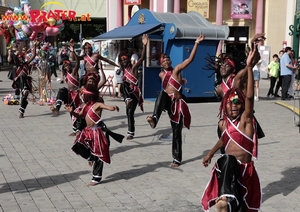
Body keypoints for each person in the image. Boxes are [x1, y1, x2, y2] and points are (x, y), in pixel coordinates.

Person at [201, 43, 261, 212]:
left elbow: (248, 96)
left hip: (245, 172)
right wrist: (210, 154)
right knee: (226, 159)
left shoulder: (246, 121)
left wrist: (249, 66)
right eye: (229, 102)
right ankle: (223, 196)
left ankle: (226, 197)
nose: (233, 105)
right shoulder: (224, 122)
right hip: (230, 169)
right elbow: (223, 139)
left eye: (236, 102)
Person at [146, 34, 205, 167]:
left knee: (176, 131)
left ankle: (176, 158)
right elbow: (169, 87)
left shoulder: (177, 69)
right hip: (168, 102)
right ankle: (155, 118)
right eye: (164, 60)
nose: (166, 62)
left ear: (170, 61)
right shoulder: (161, 74)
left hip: (177, 104)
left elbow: (190, 60)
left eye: (168, 60)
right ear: (160, 64)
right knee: (161, 94)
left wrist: (196, 43)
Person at [65, 74, 123, 186]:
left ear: (89, 96)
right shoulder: (85, 106)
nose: (83, 95)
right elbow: (79, 115)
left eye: (85, 94)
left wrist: (113, 107)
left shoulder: (97, 104)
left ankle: (96, 178)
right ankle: (89, 156)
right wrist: (71, 111)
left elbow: (108, 107)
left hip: (97, 132)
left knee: (99, 155)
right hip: (87, 131)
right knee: (78, 145)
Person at [119, 34, 149, 140]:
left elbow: (142, 58)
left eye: (125, 59)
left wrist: (145, 45)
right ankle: (127, 99)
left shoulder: (134, 67)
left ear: (129, 60)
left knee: (130, 112)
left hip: (134, 92)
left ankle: (131, 132)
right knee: (128, 112)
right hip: (127, 93)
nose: (124, 61)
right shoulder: (123, 69)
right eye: (122, 60)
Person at [12, 42, 37, 118]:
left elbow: (34, 55)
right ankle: (24, 89)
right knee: (22, 77)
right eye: (19, 58)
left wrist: (35, 45)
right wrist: (16, 50)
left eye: (21, 57)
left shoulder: (26, 63)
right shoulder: (17, 65)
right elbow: (14, 58)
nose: (20, 58)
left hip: (26, 81)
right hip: (20, 81)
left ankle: (21, 112)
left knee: (24, 97)